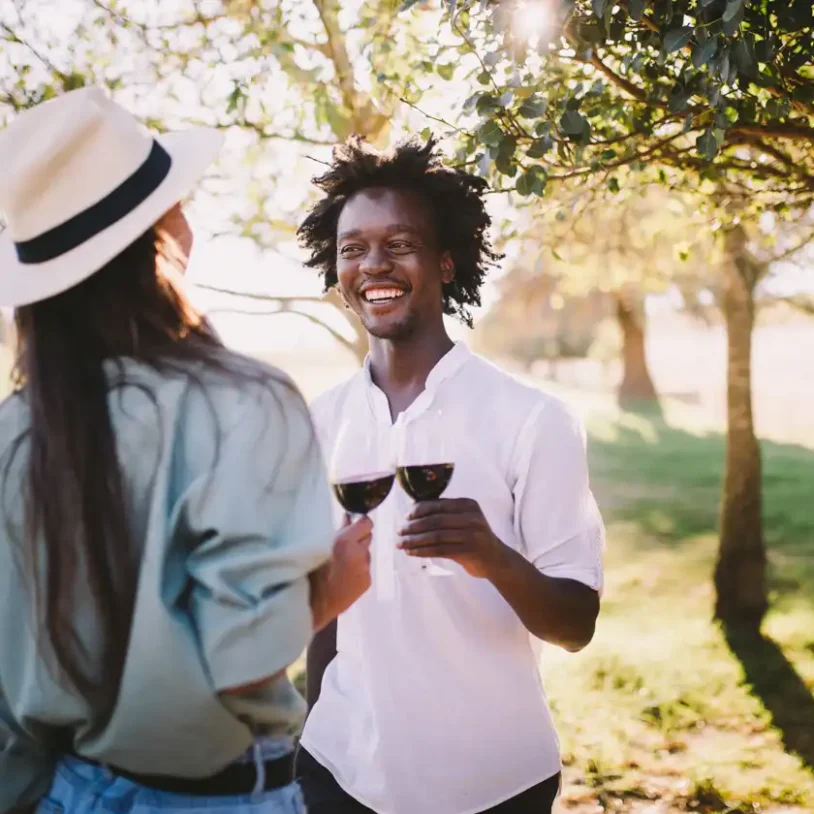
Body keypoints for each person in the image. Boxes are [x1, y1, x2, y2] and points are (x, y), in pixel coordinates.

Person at [0, 87, 372, 814]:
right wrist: (331, 589)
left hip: (57, 789)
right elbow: (242, 662)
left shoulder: (15, 429)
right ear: (159, 240)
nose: (189, 217)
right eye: (176, 202)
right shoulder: (244, 403)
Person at [295, 135, 605, 814]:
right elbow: (326, 609)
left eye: (398, 244)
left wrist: (493, 558)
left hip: (495, 783)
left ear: (444, 261)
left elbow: (576, 624)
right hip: (340, 773)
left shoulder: (534, 419)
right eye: (353, 249)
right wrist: (313, 726)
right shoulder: (320, 422)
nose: (373, 264)